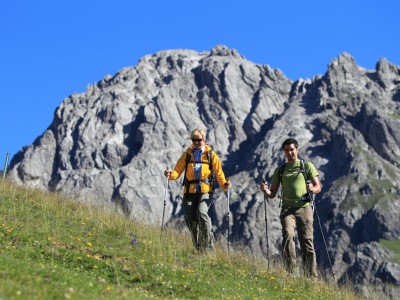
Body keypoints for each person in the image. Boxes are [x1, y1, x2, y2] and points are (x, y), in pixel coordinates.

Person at [260, 138, 321, 277]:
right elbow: (272, 194)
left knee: (307, 241)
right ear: (284, 152)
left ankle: (310, 275)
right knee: (287, 236)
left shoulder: (307, 166)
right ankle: (291, 271)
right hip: (287, 209)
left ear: (297, 150)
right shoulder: (280, 170)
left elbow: (318, 187)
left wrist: (312, 188)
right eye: (286, 150)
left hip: (305, 208)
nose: (289, 153)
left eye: (292, 150)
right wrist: (265, 190)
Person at [164, 128, 231, 253]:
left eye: (199, 140)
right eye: (194, 140)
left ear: (204, 140)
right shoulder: (188, 154)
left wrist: (224, 185)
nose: (196, 143)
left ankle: (208, 246)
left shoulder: (211, 154)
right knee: (190, 219)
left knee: (201, 212)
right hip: (189, 192)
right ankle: (198, 247)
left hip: (206, 190)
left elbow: (219, 172)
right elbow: (177, 171)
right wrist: (169, 174)